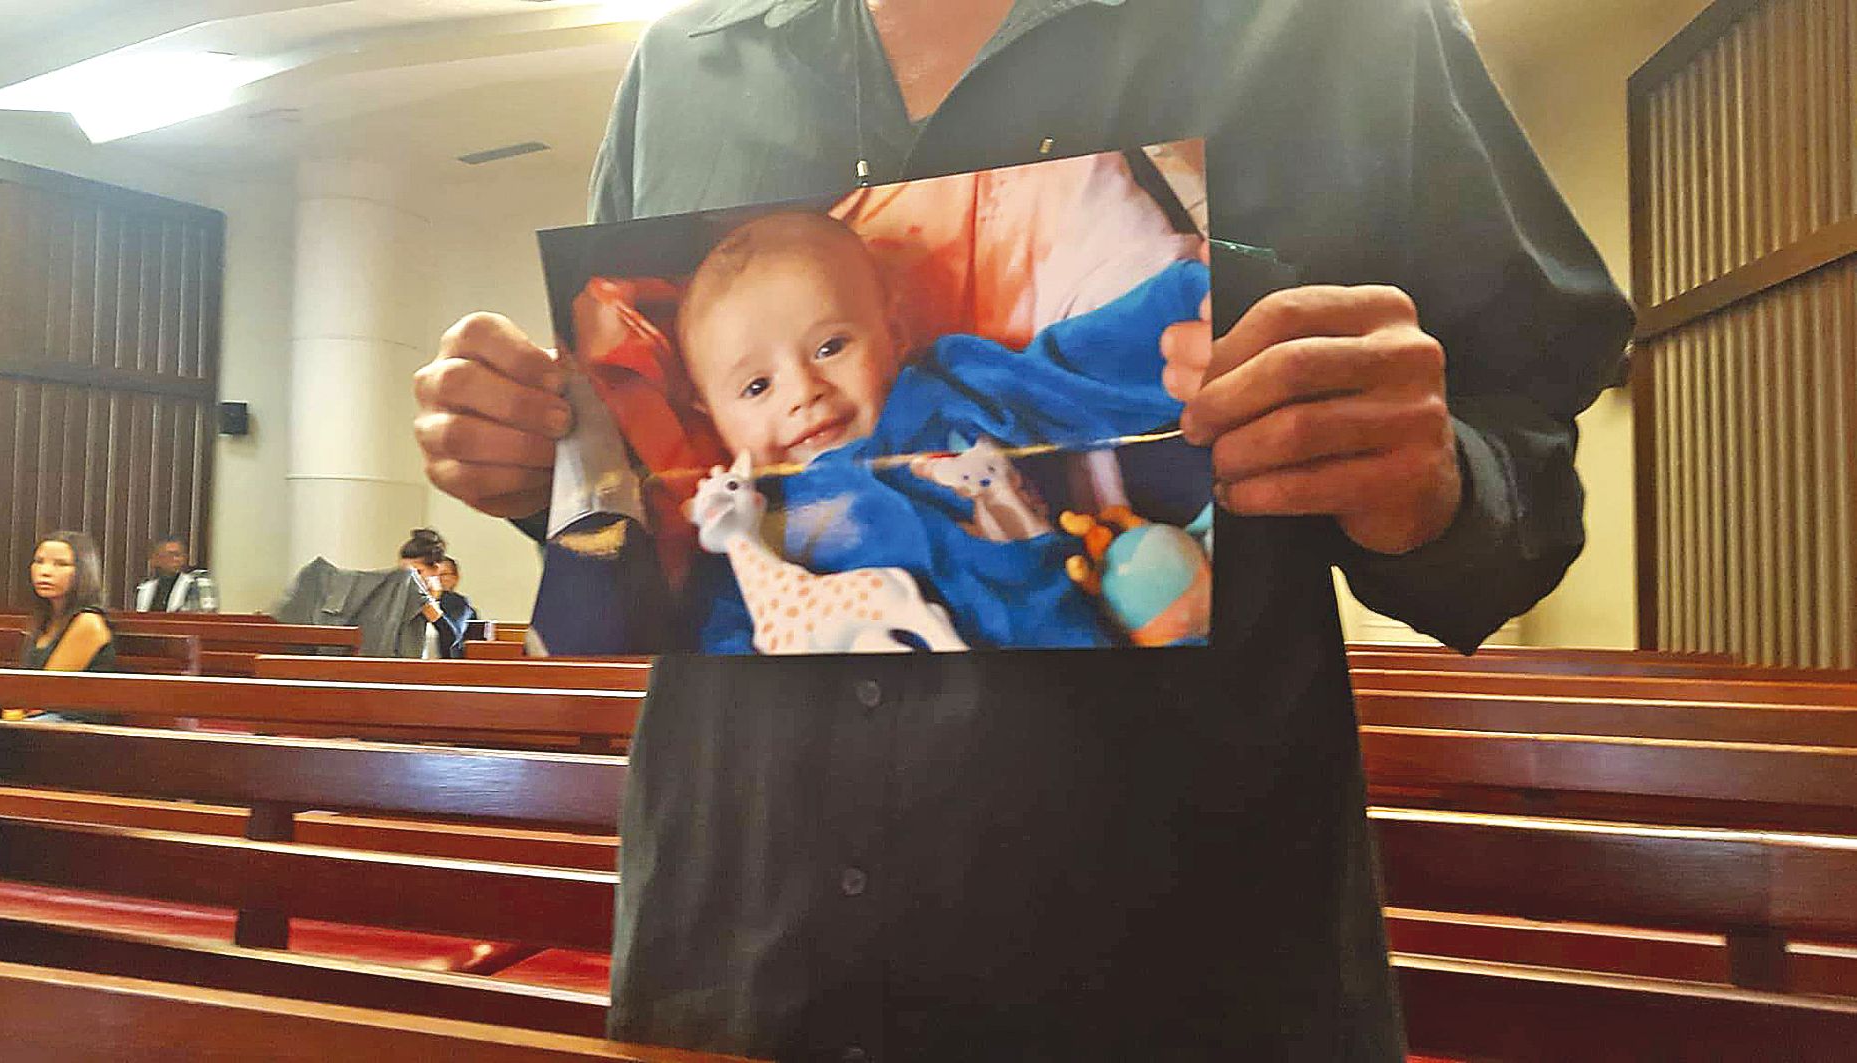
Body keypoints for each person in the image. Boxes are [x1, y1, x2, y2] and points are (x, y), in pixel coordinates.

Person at [413, 0, 1635, 1057]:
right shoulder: (683, 66)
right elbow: (642, 542)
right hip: (739, 971)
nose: (804, 393)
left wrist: (1441, 481)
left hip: (1174, 982)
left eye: (833, 346)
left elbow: (1527, 434)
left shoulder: (1331, 27)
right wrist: (540, 475)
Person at [674, 210, 1208, 650]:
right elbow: (728, 660)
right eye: (757, 387)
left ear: (894, 333)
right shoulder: (752, 533)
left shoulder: (953, 390)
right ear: (710, 416)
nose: (803, 392)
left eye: (830, 347)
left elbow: (1070, 374)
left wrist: (1190, 303)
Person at [22, 531, 117, 674]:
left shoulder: (88, 622)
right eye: (39, 561)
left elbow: (46, 684)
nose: (45, 571)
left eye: (61, 564)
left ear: (83, 571)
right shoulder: (47, 620)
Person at [397, 529, 459, 658]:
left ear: (435, 569)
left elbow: (453, 641)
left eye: (418, 572)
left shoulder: (454, 602)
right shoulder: (396, 599)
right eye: (403, 573)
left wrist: (431, 603)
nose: (409, 579)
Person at [132, 537, 219, 613]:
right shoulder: (145, 588)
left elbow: (206, 616)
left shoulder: (198, 583)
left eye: (179, 555)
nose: (176, 559)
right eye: (170, 555)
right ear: (155, 559)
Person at [433, 556, 478, 659]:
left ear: (455, 578)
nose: (437, 579)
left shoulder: (460, 604)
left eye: (443, 574)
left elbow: (454, 636)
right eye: (433, 575)